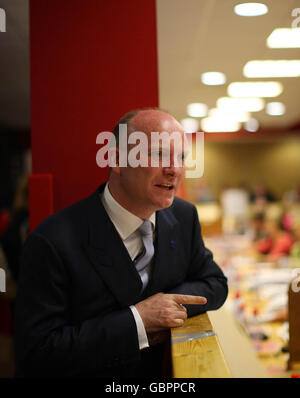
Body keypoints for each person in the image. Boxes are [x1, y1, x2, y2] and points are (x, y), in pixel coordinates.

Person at [14, 108, 228, 378]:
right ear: (116, 159)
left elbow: (216, 283)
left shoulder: (184, 217)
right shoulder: (52, 240)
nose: (175, 170)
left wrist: (165, 306)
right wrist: (138, 320)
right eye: (159, 154)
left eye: (181, 157)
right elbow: (37, 352)